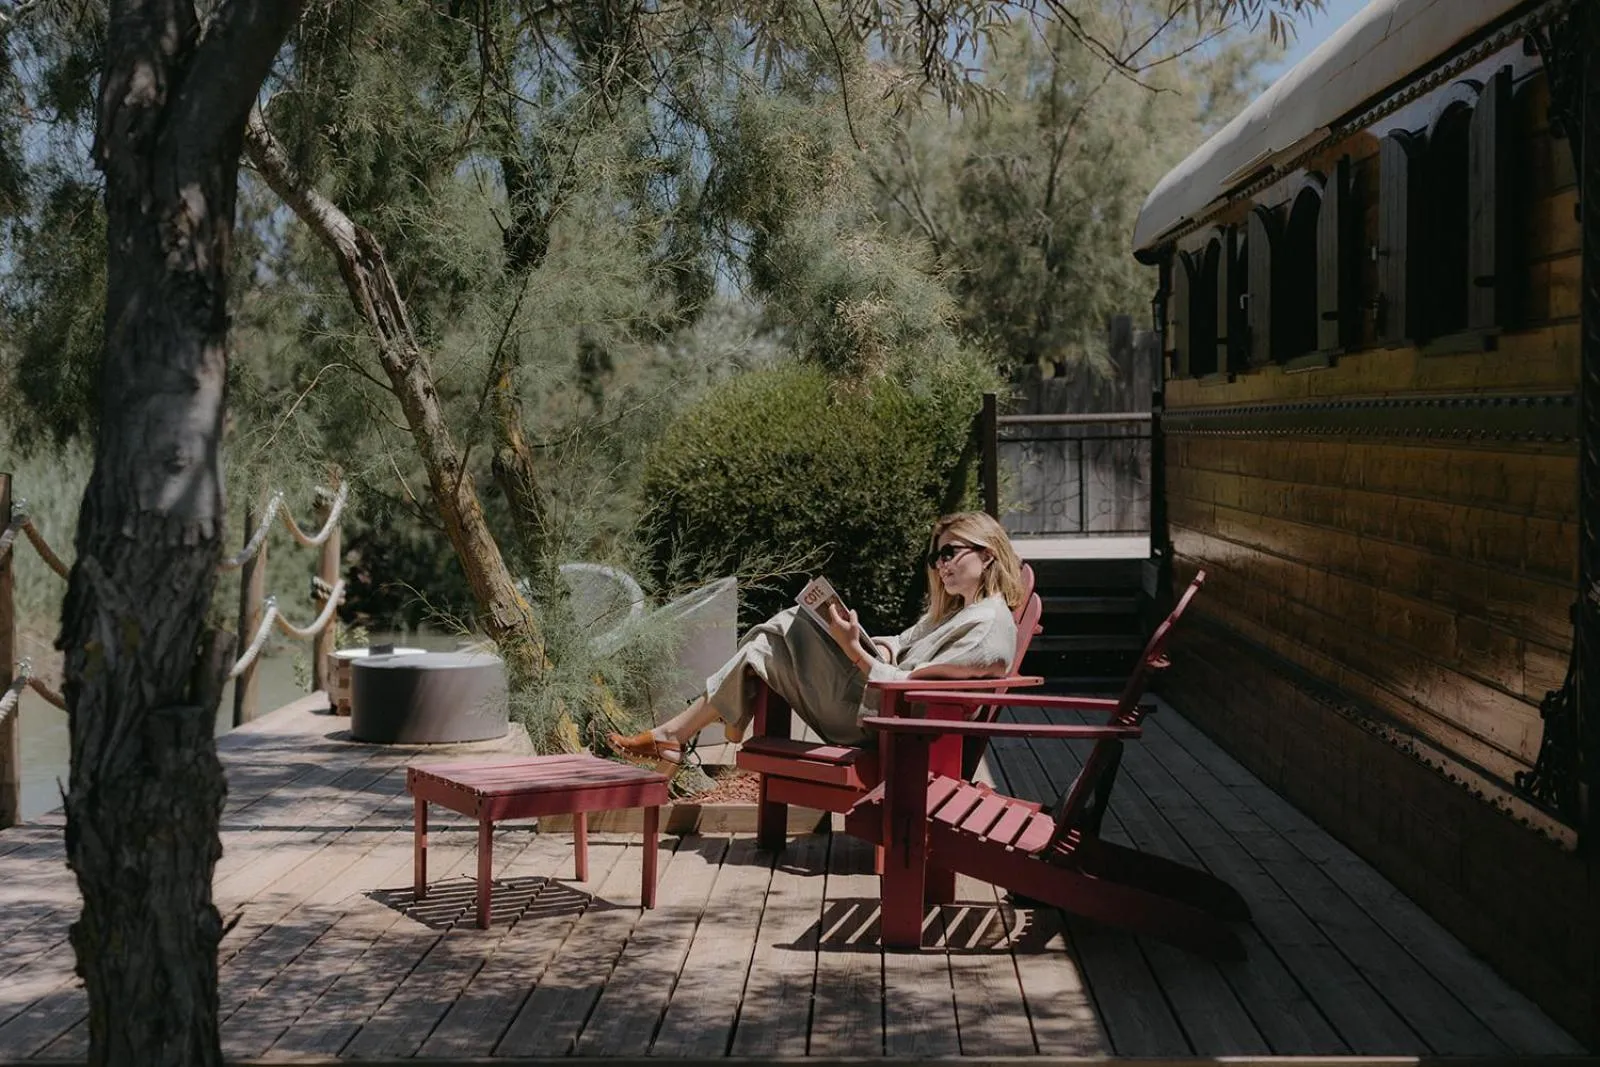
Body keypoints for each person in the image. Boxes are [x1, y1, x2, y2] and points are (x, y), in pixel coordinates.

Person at [607, 511, 1024, 767]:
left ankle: (708, 722)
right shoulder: (958, 613)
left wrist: (851, 649)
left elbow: (904, 685)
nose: (941, 566)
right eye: (937, 557)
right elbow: (899, 644)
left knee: (779, 630)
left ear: (986, 553)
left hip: (888, 730)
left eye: (950, 553)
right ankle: (686, 730)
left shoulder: (985, 627)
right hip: (887, 716)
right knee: (770, 640)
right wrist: (867, 642)